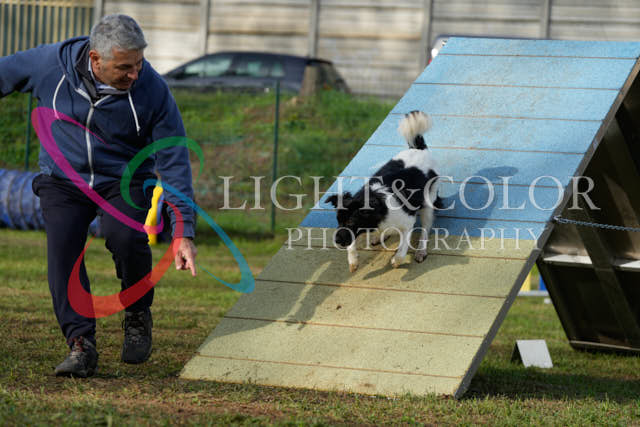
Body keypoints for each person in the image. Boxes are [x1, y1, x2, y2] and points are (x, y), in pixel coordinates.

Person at [0, 14, 198, 377]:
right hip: (63, 180)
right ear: (95, 59)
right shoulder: (50, 64)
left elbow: (174, 159)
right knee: (63, 251)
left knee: (125, 238)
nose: (134, 74)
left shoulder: (152, 89)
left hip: (123, 180)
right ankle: (81, 344)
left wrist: (183, 230)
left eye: (139, 64)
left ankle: (137, 312)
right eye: (125, 67)